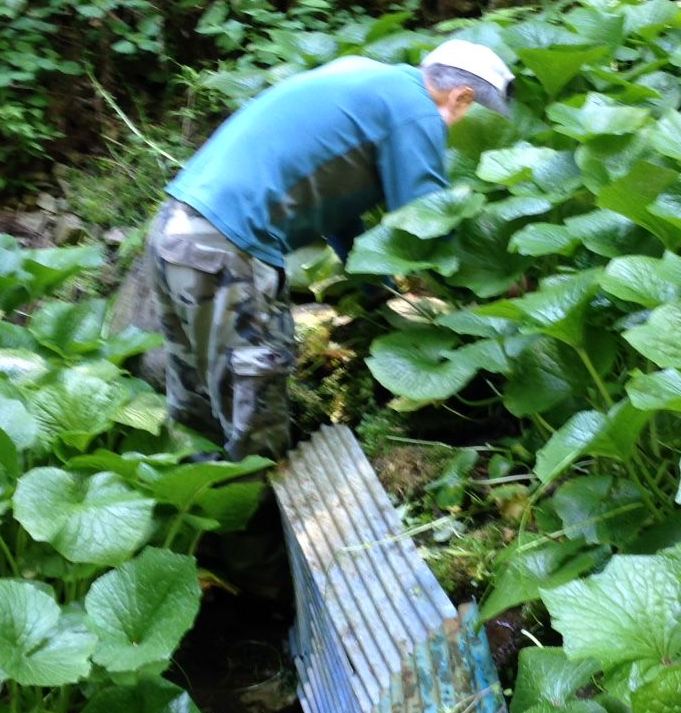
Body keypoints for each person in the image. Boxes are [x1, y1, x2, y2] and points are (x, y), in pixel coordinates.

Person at [148, 39, 514, 461]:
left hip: (176, 226)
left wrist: (381, 292)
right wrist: (486, 290)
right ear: (461, 97)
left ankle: (205, 503)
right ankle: (254, 502)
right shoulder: (414, 111)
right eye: (467, 116)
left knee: (199, 397)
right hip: (227, 247)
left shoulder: (361, 75)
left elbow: (340, 211)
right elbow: (427, 220)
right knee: (256, 408)